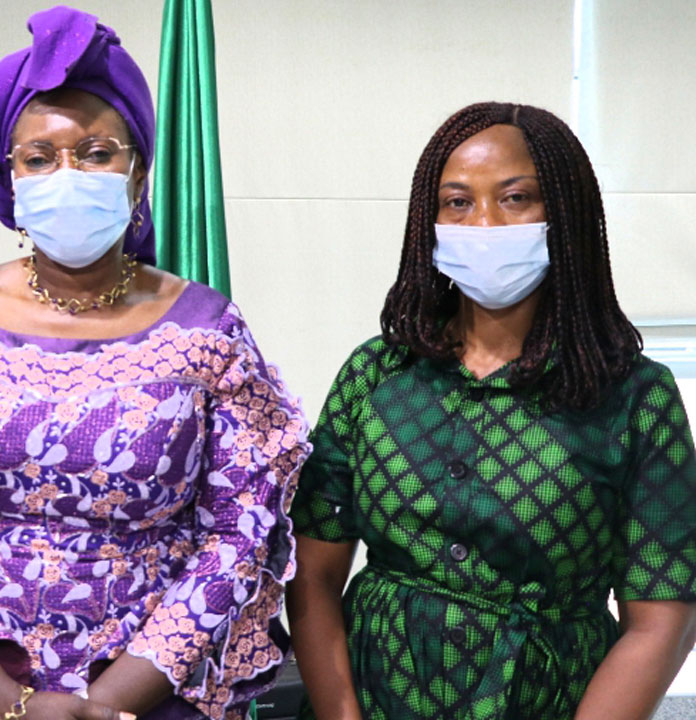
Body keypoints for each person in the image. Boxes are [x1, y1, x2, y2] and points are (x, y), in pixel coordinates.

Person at [0, 6, 308, 720]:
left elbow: (239, 533)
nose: (68, 174)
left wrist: (111, 703)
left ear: (138, 173)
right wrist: (4, 703)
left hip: (155, 696)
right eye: (39, 158)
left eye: (96, 153)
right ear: (11, 180)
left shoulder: (207, 330)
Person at [286, 102, 696, 720]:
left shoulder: (635, 396)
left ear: (564, 214)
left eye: (515, 198)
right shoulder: (376, 375)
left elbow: (662, 620)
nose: (483, 223)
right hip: (375, 695)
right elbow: (311, 574)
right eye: (457, 202)